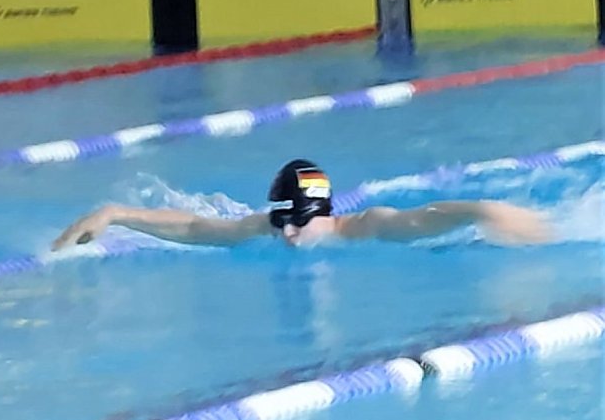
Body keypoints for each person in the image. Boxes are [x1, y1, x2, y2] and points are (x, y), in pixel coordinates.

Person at [52, 159, 552, 251]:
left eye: (297, 225)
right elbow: (196, 227)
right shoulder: (269, 229)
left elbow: (423, 219)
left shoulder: (364, 227)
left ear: (324, 216)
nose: (288, 236)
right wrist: (115, 213)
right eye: (283, 224)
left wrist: (484, 211)